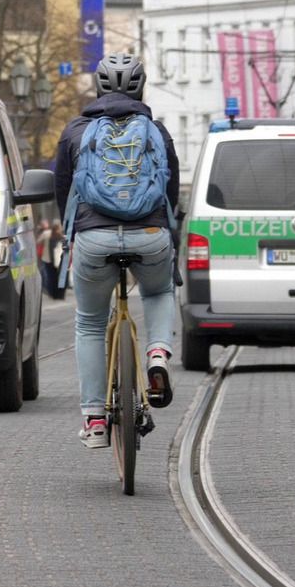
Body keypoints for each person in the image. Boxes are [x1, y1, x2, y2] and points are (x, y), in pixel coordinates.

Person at [55, 53, 180, 449]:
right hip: (150, 233)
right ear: (142, 89)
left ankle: (94, 418)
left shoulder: (76, 131)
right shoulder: (157, 132)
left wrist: (69, 233)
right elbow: (170, 191)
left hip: (94, 239)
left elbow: (63, 191)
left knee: (90, 322)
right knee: (159, 291)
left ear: (98, 88)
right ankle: (157, 353)